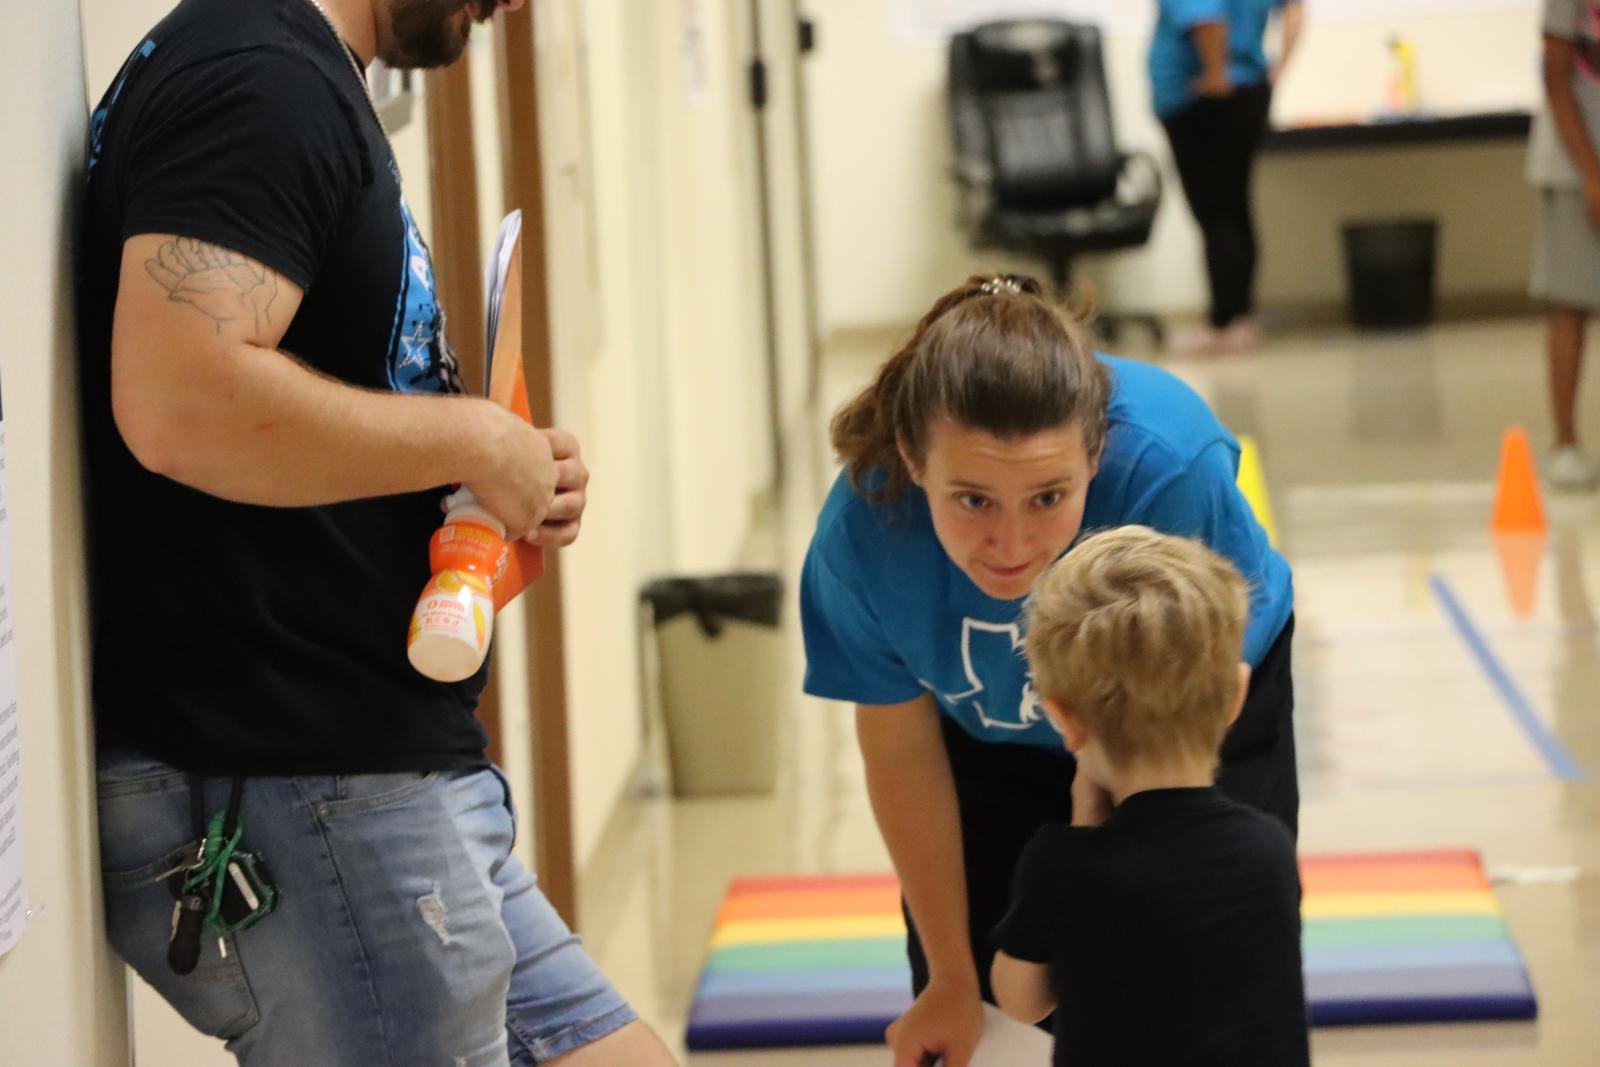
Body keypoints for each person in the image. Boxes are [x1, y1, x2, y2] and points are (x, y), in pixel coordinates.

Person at [80, 0, 675, 1063]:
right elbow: (179, 403)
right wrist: (471, 438)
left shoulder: (296, 75)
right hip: (296, 781)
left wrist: (491, 469)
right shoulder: (261, 79)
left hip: (368, 769)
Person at [799, 274, 1295, 1067]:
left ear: (1096, 455)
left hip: (1176, 712)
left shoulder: (1168, 469)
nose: (1011, 544)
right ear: (913, 458)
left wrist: (1104, 797)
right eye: (973, 500)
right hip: (987, 737)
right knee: (984, 1006)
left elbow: (1199, 706)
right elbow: (899, 748)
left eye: (1048, 497)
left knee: (1181, 976)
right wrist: (951, 975)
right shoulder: (863, 538)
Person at [990, 525, 1309, 1067]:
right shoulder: (1268, 850)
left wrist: (1082, 827)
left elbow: (1020, 1001)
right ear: (1235, 696)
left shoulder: (1062, 864)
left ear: (1064, 717)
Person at [1150, 0, 1304, 353]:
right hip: (1247, 90)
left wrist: (1216, 74)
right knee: (1234, 209)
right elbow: (1295, 7)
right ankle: (1241, 320)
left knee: (1215, 213)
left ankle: (1224, 323)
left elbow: (1205, 16)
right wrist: (1278, 68)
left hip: (1203, 101)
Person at [1527, 0, 1600, 490]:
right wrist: (1590, 173)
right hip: (1574, 164)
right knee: (1570, 302)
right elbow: (1555, 75)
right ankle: (1565, 444)